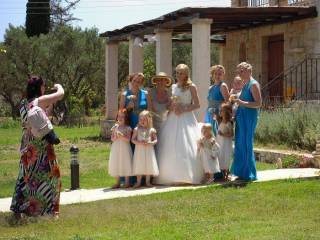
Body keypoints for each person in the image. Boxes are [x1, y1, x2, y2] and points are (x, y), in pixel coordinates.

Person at [10, 76, 64, 219]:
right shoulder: (39, 100)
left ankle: (24, 210)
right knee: (53, 177)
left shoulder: (23, 104)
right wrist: (58, 86)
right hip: (42, 146)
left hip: (28, 146)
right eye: (43, 86)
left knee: (28, 177)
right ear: (39, 87)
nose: (44, 89)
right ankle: (50, 212)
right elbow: (61, 94)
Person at [155, 64, 204, 185]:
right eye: (177, 72)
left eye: (181, 73)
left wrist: (184, 108)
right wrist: (171, 106)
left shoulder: (191, 87)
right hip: (173, 118)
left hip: (186, 118)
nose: (178, 75)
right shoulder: (173, 86)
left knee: (186, 145)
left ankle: (186, 176)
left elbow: (197, 104)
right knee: (170, 144)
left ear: (186, 74)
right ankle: (169, 175)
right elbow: (170, 103)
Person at [231, 62, 262, 181]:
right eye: (238, 71)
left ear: (249, 71)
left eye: (241, 71)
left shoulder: (253, 84)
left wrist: (241, 102)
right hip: (241, 117)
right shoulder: (245, 84)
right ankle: (240, 172)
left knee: (247, 143)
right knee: (239, 143)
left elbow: (258, 103)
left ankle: (249, 173)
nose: (239, 74)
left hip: (249, 117)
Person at [131, 110, 159, 188]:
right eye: (140, 119)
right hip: (139, 151)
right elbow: (132, 139)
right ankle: (138, 181)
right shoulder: (137, 129)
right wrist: (139, 143)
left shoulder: (151, 130)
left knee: (149, 165)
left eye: (144, 120)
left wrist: (150, 143)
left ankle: (147, 182)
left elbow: (156, 140)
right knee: (139, 164)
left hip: (148, 151)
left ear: (149, 120)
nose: (142, 121)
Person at [108, 109, 133, 188]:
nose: (120, 118)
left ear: (126, 118)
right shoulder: (115, 127)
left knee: (125, 162)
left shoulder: (127, 128)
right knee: (116, 162)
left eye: (122, 116)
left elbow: (128, 139)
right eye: (119, 116)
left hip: (125, 148)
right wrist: (115, 134)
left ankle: (127, 182)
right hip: (116, 147)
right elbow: (112, 139)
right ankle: (117, 182)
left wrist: (121, 136)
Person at [204, 65, 229, 136]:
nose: (217, 76)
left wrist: (219, 112)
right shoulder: (211, 87)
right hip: (209, 113)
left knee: (216, 133)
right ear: (213, 74)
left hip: (218, 114)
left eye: (220, 74)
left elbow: (227, 102)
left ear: (223, 75)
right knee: (208, 134)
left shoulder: (223, 86)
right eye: (215, 74)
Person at [216, 103, 234, 181]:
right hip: (220, 142)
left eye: (222, 111)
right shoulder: (221, 122)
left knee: (225, 157)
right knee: (220, 156)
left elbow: (231, 134)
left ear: (226, 112)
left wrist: (223, 134)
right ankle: (221, 174)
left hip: (226, 143)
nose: (220, 112)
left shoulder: (228, 123)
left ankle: (226, 174)